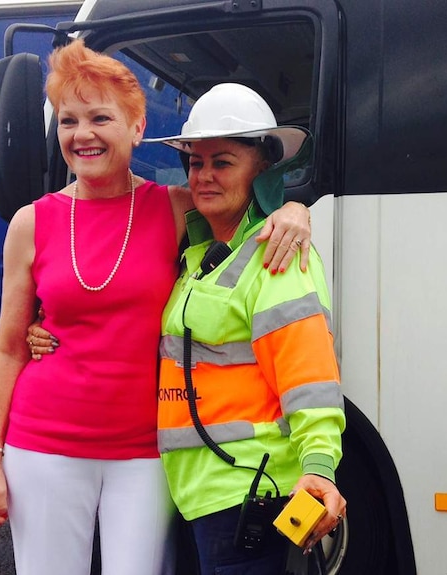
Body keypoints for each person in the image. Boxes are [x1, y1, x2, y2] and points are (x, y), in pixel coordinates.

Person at [0, 39, 312, 575]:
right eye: (67, 120)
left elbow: (243, 199)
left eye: (99, 118)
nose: (82, 134)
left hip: (146, 453)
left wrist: (294, 208)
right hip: (44, 443)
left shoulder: (174, 209)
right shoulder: (31, 223)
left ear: (136, 126)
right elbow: (9, 347)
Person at [147, 83, 346, 574]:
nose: (204, 176)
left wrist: (319, 468)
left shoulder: (278, 257)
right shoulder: (199, 258)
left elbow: (311, 378)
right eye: (195, 162)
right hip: (198, 497)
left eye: (223, 162)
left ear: (262, 169)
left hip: (247, 494)